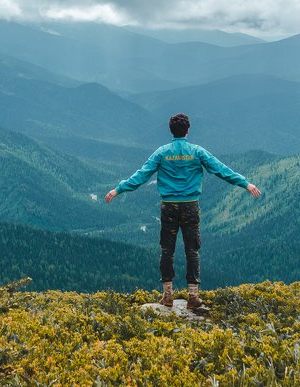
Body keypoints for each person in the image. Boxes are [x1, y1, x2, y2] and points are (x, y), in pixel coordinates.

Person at [105, 113, 261, 314]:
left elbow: (141, 175)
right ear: (188, 130)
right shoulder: (197, 152)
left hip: (168, 206)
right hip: (190, 206)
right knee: (192, 250)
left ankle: (167, 295)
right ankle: (193, 296)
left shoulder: (162, 152)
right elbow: (221, 170)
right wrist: (245, 183)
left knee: (167, 250)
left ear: (171, 130)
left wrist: (118, 190)